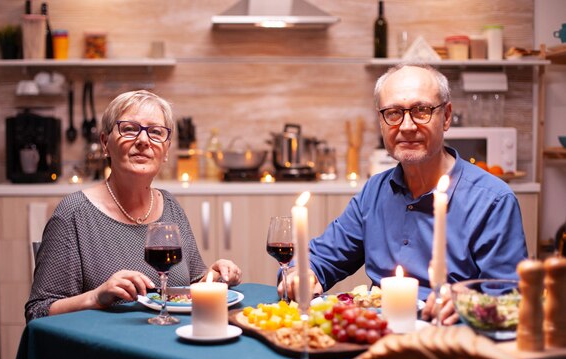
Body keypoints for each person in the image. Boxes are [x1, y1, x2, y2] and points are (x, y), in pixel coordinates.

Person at [279, 63, 527, 325]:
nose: (407, 126)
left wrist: (470, 304)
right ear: (381, 122)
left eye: (422, 111)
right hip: (374, 337)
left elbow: (512, 301)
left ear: (446, 116)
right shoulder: (374, 192)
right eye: (394, 113)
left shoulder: (493, 201)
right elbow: (320, 258)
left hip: (450, 343)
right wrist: (302, 275)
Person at [26, 90, 241, 322]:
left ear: (166, 150)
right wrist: (96, 297)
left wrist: (215, 277)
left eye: (156, 132)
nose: (143, 140)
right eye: (129, 129)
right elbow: (38, 312)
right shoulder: (73, 214)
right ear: (105, 143)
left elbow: (190, 287)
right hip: (104, 351)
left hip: (172, 342)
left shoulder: (170, 206)